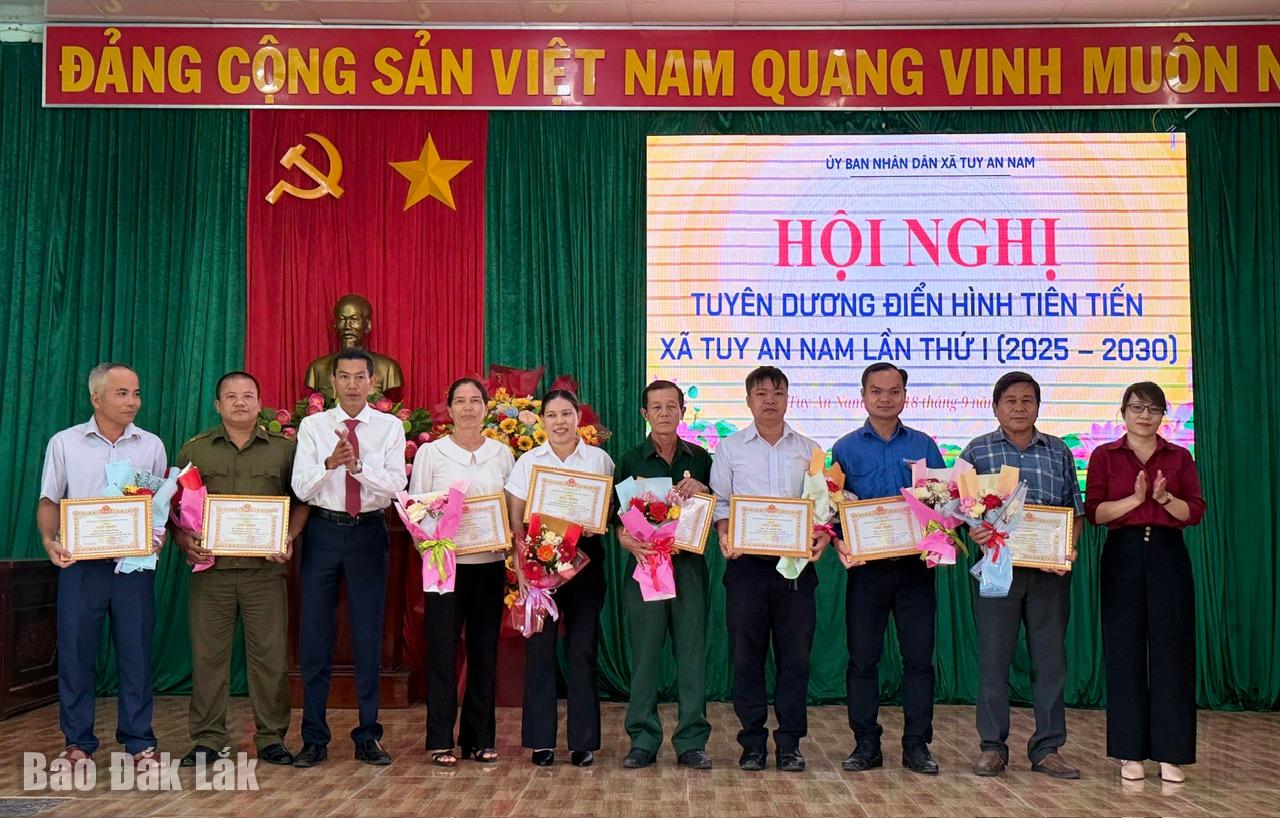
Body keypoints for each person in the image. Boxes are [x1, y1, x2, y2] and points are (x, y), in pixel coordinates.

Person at [172, 370, 310, 768]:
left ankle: (271, 738)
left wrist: (288, 537)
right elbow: (173, 507)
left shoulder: (284, 451)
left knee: (269, 658)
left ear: (260, 403)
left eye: (248, 395)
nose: (239, 402)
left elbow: (302, 502)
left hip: (263, 574)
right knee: (208, 658)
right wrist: (183, 541)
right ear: (218, 405)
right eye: (230, 396)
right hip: (211, 574)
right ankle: (208, 739)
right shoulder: (195, 451)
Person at [37, 362, 167, 769]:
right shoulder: (65, 443)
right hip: (81, 566)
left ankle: (140, 741)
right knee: (77, 653)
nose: (133, 402)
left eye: (136, 393)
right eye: (122, 393)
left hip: (133, 566)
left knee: (136, 653)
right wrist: (49, 540)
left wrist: (157, 534)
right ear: (96, 398)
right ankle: (77, 742)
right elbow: (49, 499)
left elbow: (158, 504)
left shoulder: (151, 445)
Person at [961, 371, 1084, 779]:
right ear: (995, 407)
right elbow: (962, 514)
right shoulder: (977, 451)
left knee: (1050, 661)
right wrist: (975, 531)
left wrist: (1067, 548)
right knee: (994, 659)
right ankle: (992, 747)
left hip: (1048, 573)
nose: (1019, 408)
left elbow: (1075, 512)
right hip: (998, 569)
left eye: (1027, 400)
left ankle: (1047, 748)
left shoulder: (1058, 451)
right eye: (1010, 401)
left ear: (1038, 406)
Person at [710, 366, 830, 773]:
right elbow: (721, 503)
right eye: (761, 393)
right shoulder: (729, 448)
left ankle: (790, 743)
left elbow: (822, 508)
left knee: (796, 659)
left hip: (795, 569)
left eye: (777, 393)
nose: (769, 401)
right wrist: (725, 533)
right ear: (748, 400)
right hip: (746, 568)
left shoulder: (809, 450)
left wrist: (821, 536)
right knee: (747, 658)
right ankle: (752, 742)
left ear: (788, 398)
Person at [291, 348, 407, 767]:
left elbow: (395, 486)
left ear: (373, 383)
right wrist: (329, 463)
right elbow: (301, 488)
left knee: (368, 634)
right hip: (323, 531)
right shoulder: (314, 426)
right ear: (333, 382)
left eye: (361, 377)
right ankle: (314, 738)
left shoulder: (390, 427)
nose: (353, 384)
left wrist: (358, 468)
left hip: (369, 533)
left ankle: (368, 734)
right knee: (315, 635)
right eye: (344, 377)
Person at [1085, 382, 1205, 784]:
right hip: (1123, 553)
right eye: (1137, 407)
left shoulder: (1179, 456)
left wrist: (1164, 499)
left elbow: (1194, 512)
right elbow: (1095, 512)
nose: (1145, 415)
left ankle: (1172, 753)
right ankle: (1129, 752)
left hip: (1169, 554)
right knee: (1124, 650)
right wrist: (1135, 502)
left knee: (1173, 650)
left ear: (1162, 416)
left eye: (1154, 409)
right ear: (1123, 412)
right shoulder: (1105, 455)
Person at [831, 363, 945, 776]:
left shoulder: (924, 445)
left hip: (915, 570)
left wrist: (938, 535)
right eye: (876, 391)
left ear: (905, 396)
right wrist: (840, 542)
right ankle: (866, 744)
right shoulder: (845, 449)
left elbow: (942, 504)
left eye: (893, 391)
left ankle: (917, 745)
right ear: (863, 396)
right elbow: (833, 508)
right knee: (863, 659)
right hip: (867, 571)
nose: (885, 398)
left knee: (919, 660)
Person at [505, 388, 615, 767]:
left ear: (578, 418)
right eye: (551, 415)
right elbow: (516, 522)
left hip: (585, 563)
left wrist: (596, 523)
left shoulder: (599, 460)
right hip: (541, 563)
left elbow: (608, 511)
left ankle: (583, 742)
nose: (560, 422)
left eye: (566, 414)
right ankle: (541, 741)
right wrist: (522, 567)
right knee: (540, 651)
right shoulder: (528, 461)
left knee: (582, 650)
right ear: (542, 421)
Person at [409, 377, 515, 767]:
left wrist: (507, 538)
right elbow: (416, 510)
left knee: (484, 653)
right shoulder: (431, 454)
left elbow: (512, 509)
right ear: (449, 408)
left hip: (488, 566)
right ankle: (440, 739)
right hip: (444, 566)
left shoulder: (502, 453)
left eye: (475, 401)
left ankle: (479, 739)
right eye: (460, 401)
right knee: (442, 651)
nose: (468, 407)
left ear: (486, 408)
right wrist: (432, 542)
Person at [614, 380, 714, 770]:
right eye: (656, 407)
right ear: (645, 414)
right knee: (644, 656)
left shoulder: (701, 458)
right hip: (645, 569)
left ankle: (691, 741)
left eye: (672, 406)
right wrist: (623, 538)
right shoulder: (629, 460)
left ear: (683, 412)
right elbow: (614, 517)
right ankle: (642, 739)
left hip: (688, 569)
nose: (664, 413)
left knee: (691, 655)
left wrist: (703, 489)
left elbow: (717, 509)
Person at [303, 295, 405, 398]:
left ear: (368, 325)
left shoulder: (388, 369)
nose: (347, 326)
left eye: (354, 319)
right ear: (335, 325)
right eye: (342, 319)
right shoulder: (318, 369)